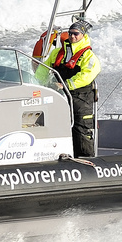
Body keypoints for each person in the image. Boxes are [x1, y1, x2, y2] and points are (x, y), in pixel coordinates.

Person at [41, 19, 101, 157]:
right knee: (57, 126)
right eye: (70, 33)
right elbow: (43, 70)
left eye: (76, 34)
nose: (72, 36)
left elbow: (88, 75)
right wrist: (37, 83)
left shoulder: (88, 56)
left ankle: (85, 159)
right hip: (60, 96)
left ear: (83, 36)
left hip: (81, 98)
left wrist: (66, 84)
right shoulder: (57, 53)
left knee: (81, 129)